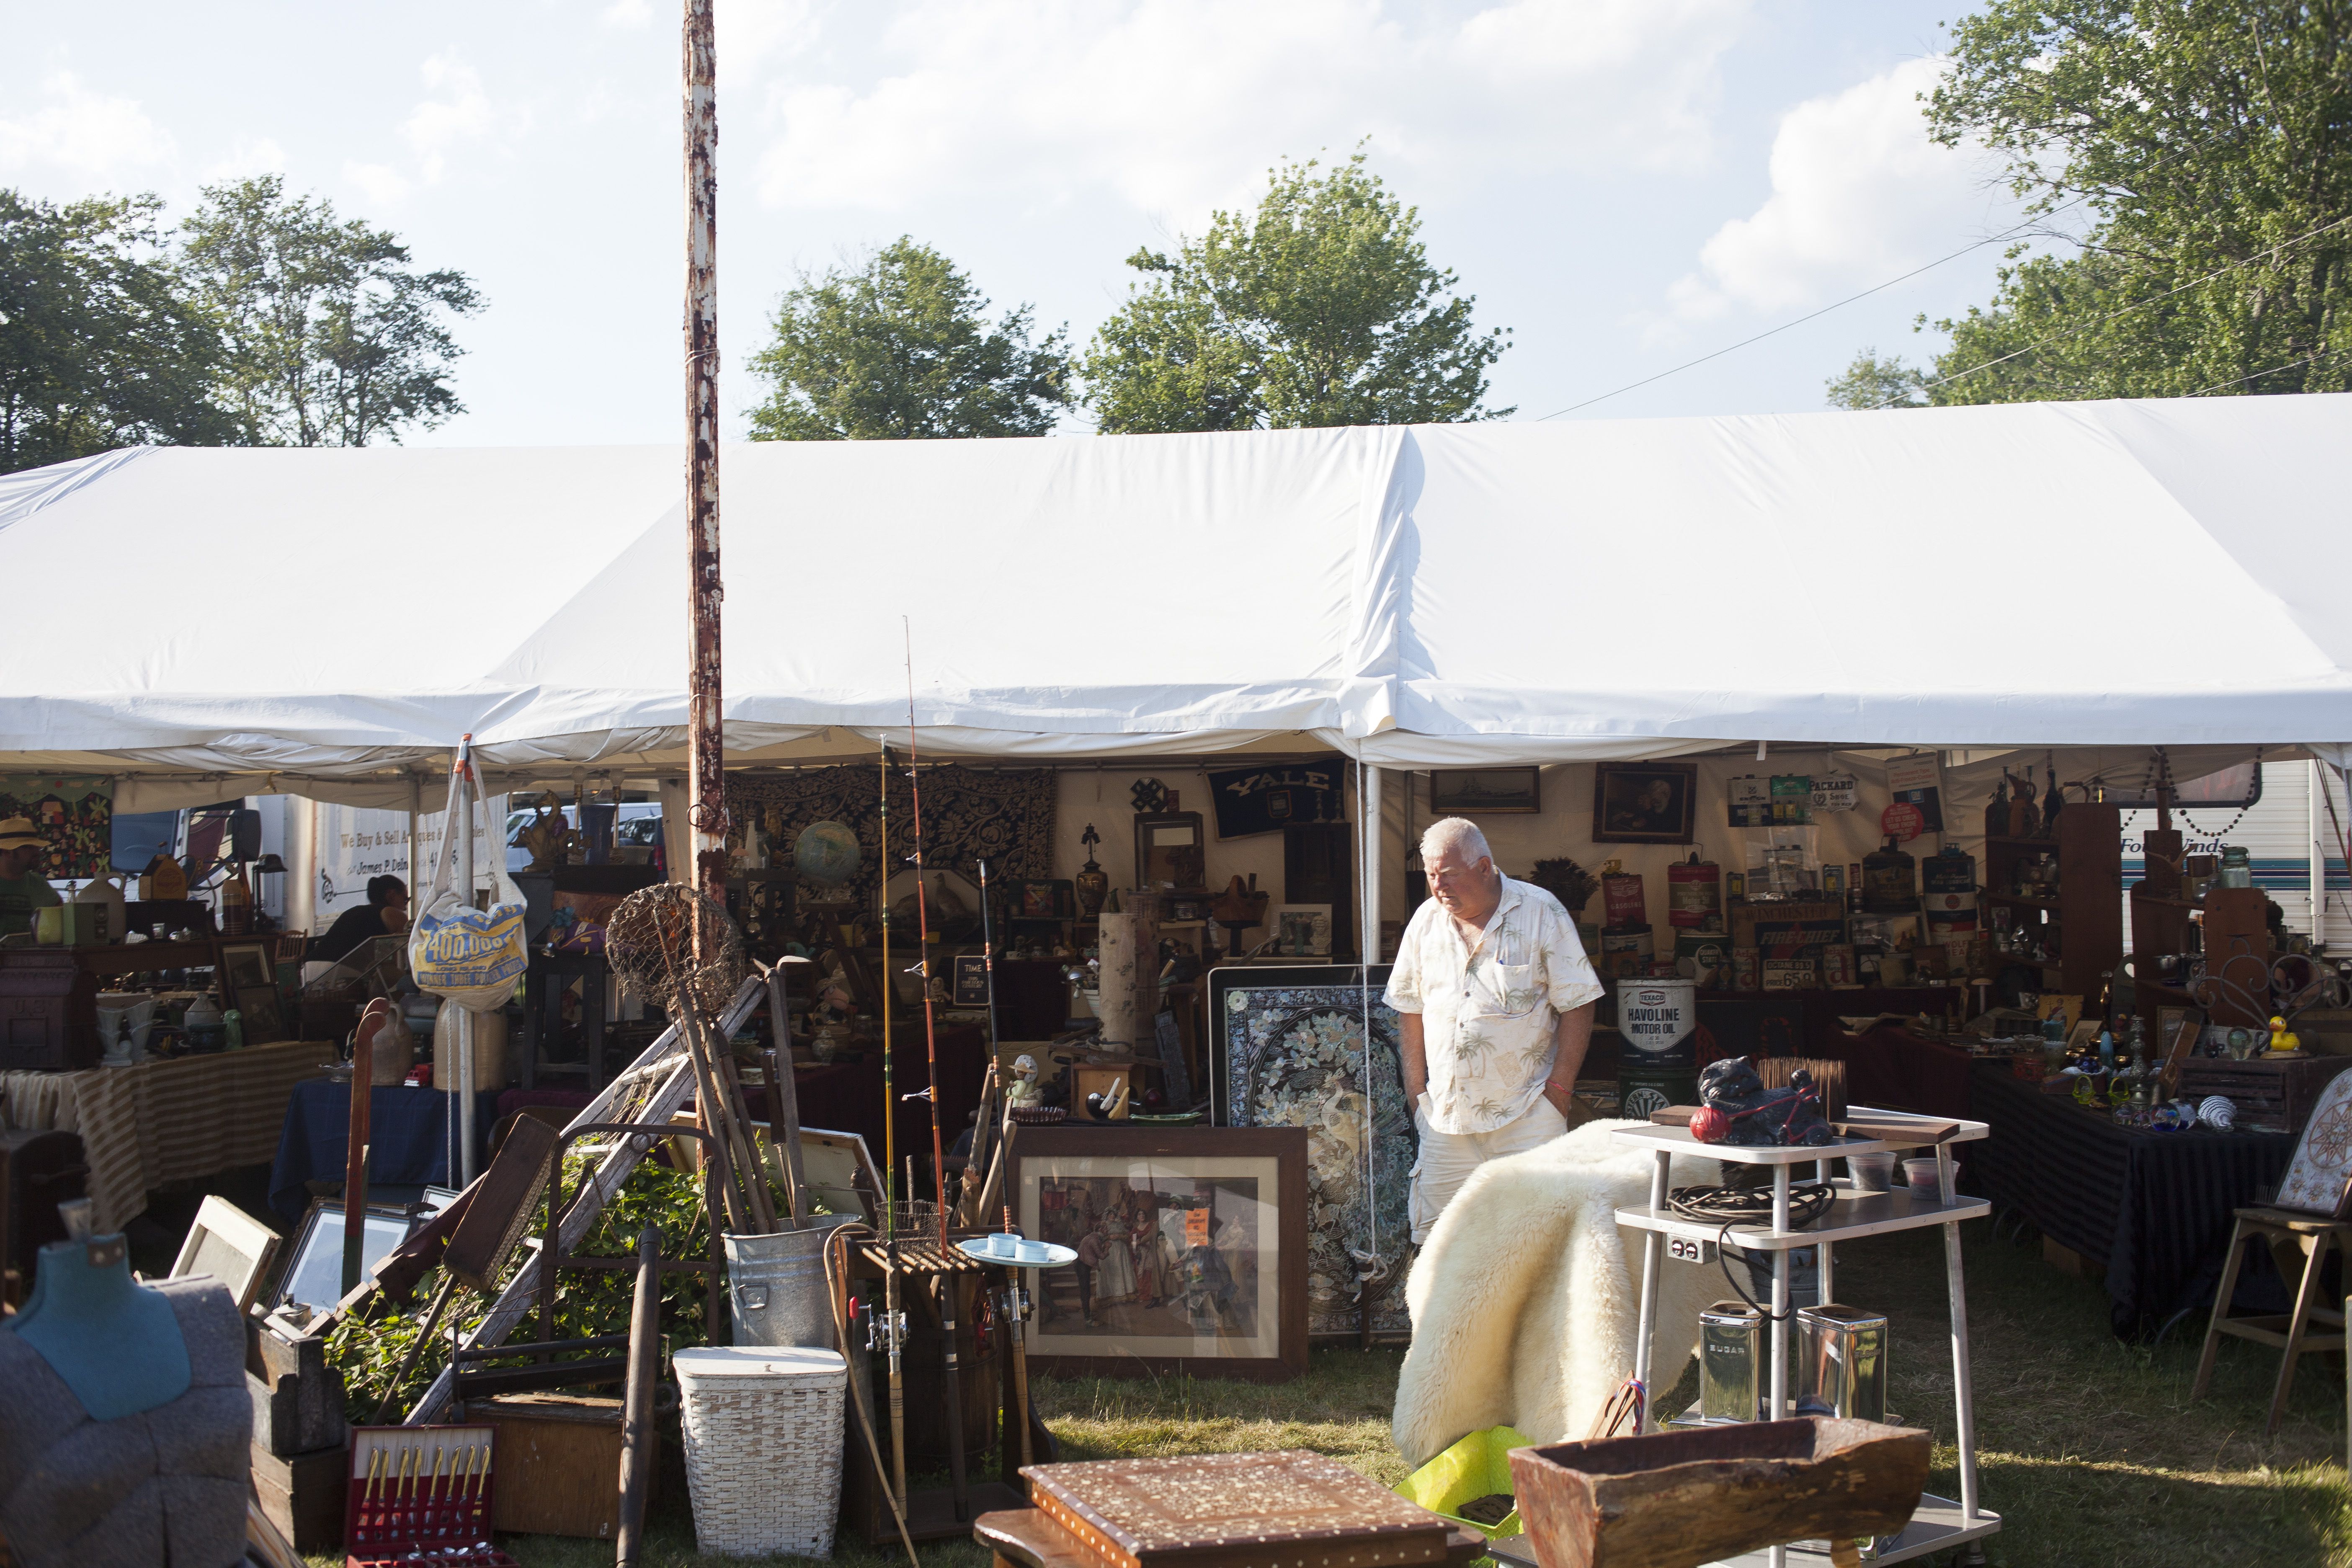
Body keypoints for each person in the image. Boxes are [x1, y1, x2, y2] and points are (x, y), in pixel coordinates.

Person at [1387, 816, 1602, 1245]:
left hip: (1526, 1116)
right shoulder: (1425, 922)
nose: (1439, 886)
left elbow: (1580, 1002)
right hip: (1445, 1122)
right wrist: (1417, 1095)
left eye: (1449, 875)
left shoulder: (1541, 911)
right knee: (1439, 1246)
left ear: (1484, 867)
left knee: (1535, 1247)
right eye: (1432, 876)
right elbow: (1409, 1008)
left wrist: (1558, 1095)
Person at [311, 875, 410, 964]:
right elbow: (404, 958)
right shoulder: (392, 913)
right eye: (405, 900)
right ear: (391, 894)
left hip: (313, 968)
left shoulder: (354, 911)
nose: (405, 908)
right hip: (338, 972)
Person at [0, 818, 60, 939]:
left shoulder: (39, 884)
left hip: (32, 957)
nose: (37, 852)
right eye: (28, 847)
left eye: (37, 847)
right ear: (7, 851)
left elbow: (63, 921)